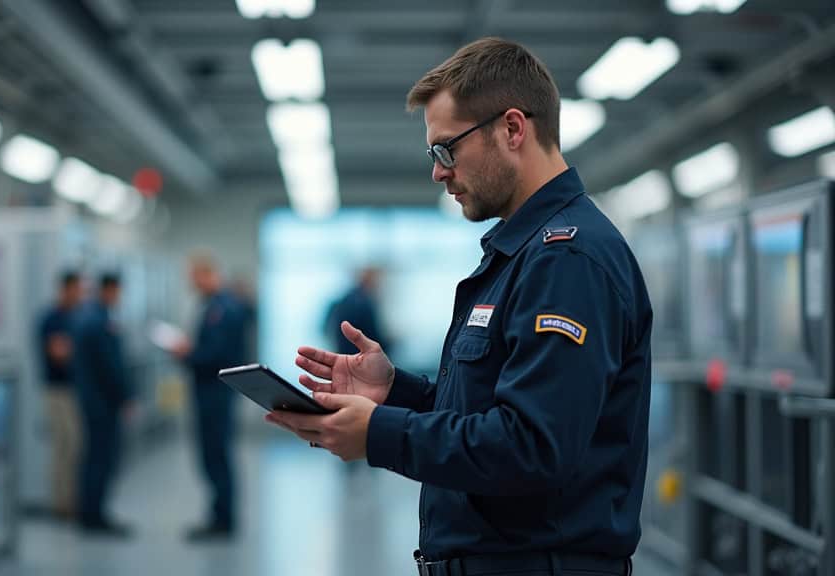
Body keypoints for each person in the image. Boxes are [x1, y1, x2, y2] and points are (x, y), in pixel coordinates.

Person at [266, 37, 651, 576]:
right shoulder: (522, 254)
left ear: (513, 129)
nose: (438, 171)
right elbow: (490, 415)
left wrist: (380, 433)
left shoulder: (568, 261)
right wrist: (394, 391)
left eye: (447, 148)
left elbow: (532, 448)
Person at [170, 252, 249, 542]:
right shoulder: (214, 306)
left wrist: (187, 353)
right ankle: (219, 515)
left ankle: (223, 519)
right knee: (212, 455)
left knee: (217, 455)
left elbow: (217, 355)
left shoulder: (222, 308)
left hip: (216, 392)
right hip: (209, 391)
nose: (192, 284)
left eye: (194, 277)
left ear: (207, 274)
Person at [73, 272, 136, 536]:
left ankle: (91, 513)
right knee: (101, 458)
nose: (119, 298)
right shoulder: (100, 322)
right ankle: (94, 516)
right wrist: (125, 396)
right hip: (102, 402)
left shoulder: (89, 317)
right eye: (118, 291)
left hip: (93, 399)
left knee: (94, 457)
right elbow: (110, 366)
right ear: (109, 290)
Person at [36, 271, 84, 519]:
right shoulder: (52, 318)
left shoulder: (76, 317)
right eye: (77, 289)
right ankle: (62, 504)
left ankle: (74, 500)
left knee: (75, 447)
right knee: (64, 446)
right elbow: (59, 353)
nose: (81, 294)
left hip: (74, 390)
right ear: (66, 289)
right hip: (58, 391)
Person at [324, 267, 388, 356]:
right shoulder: (365, 303)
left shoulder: (341, 300)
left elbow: (324, 328)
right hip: (360, 357)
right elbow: (374, 336)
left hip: (341, 354)